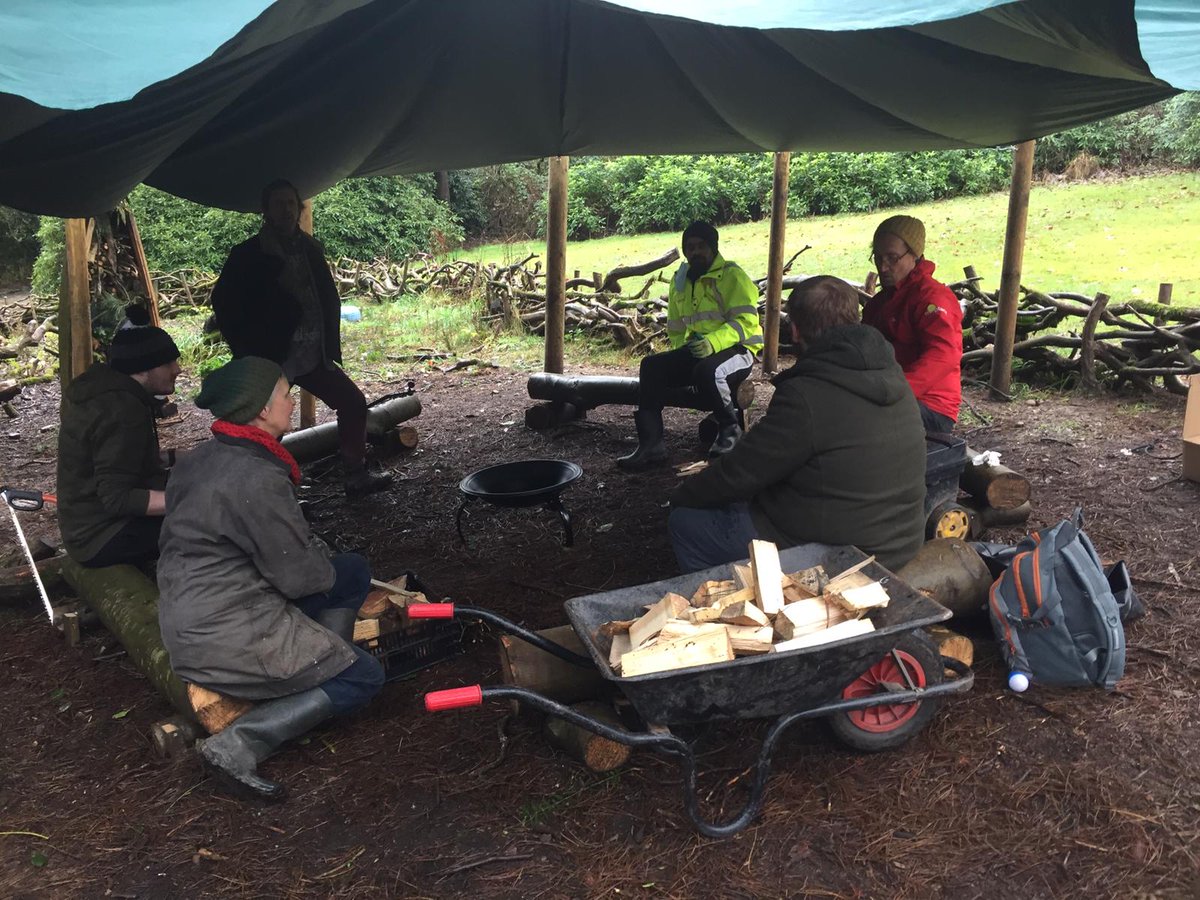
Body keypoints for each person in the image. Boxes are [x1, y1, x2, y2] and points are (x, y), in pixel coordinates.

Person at [157, 356, 385, 801]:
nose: (292, 401)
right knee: (364, 678)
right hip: (224, 630)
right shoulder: (256, 476)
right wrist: (315, 549)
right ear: (262, 410)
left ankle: (322, 661)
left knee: (352, 569)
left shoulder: (202, 458)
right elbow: (301, 577)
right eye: (285, 394)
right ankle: (238, 743)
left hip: (188, 614)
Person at [668, 276, 927, 574]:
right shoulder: (892, 374)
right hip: (902, 544)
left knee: (687, 523)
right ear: (855, 318)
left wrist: (684, 495)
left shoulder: (808, 393)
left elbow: (743, 471)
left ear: (794, 330)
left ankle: (730, 605)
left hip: (842, 556)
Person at [211, 178, 391, 496]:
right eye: (278, 204)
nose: (286, 210)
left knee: (353, 403)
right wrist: (246, 351)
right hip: (272, 357)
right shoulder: (248, 254)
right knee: (266, 427)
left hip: (312, 353)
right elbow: (224, 304)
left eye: (291, 203)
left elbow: (324, 296)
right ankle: (264, 491)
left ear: (299, 207)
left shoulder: (310, 248)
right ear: (265, 211)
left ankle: (355, 474)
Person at [617, 221, 762, 470]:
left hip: (739, 350)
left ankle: (730, 431)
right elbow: (676, 326)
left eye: (701, 246)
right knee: (651, 366)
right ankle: (651, 445)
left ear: (713, 248)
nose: (695, 252)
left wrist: (713, 343)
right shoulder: (680, 280)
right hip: (698, 351)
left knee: (708, 370)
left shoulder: (732, 276)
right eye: (690, 247)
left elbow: (746, 322)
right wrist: (682, 352)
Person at [56, 326, 182, 567]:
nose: (177, 369)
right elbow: (117, 498)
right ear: (144, 368)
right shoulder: (122, 410)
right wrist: (189, 499)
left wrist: (174, 458)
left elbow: (114, 459)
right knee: (210, 521)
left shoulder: (109, 395)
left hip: (85, 530)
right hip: (100, 538)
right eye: (168, 363)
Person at [862, 214, 963, 433]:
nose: (883, 267)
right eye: (878, 258)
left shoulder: (933, 298)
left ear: (915, 255)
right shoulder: (880, 303)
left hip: (932, 407)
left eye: (892, 258)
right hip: (889, 393)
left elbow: (943, 355)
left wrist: (892, 392)